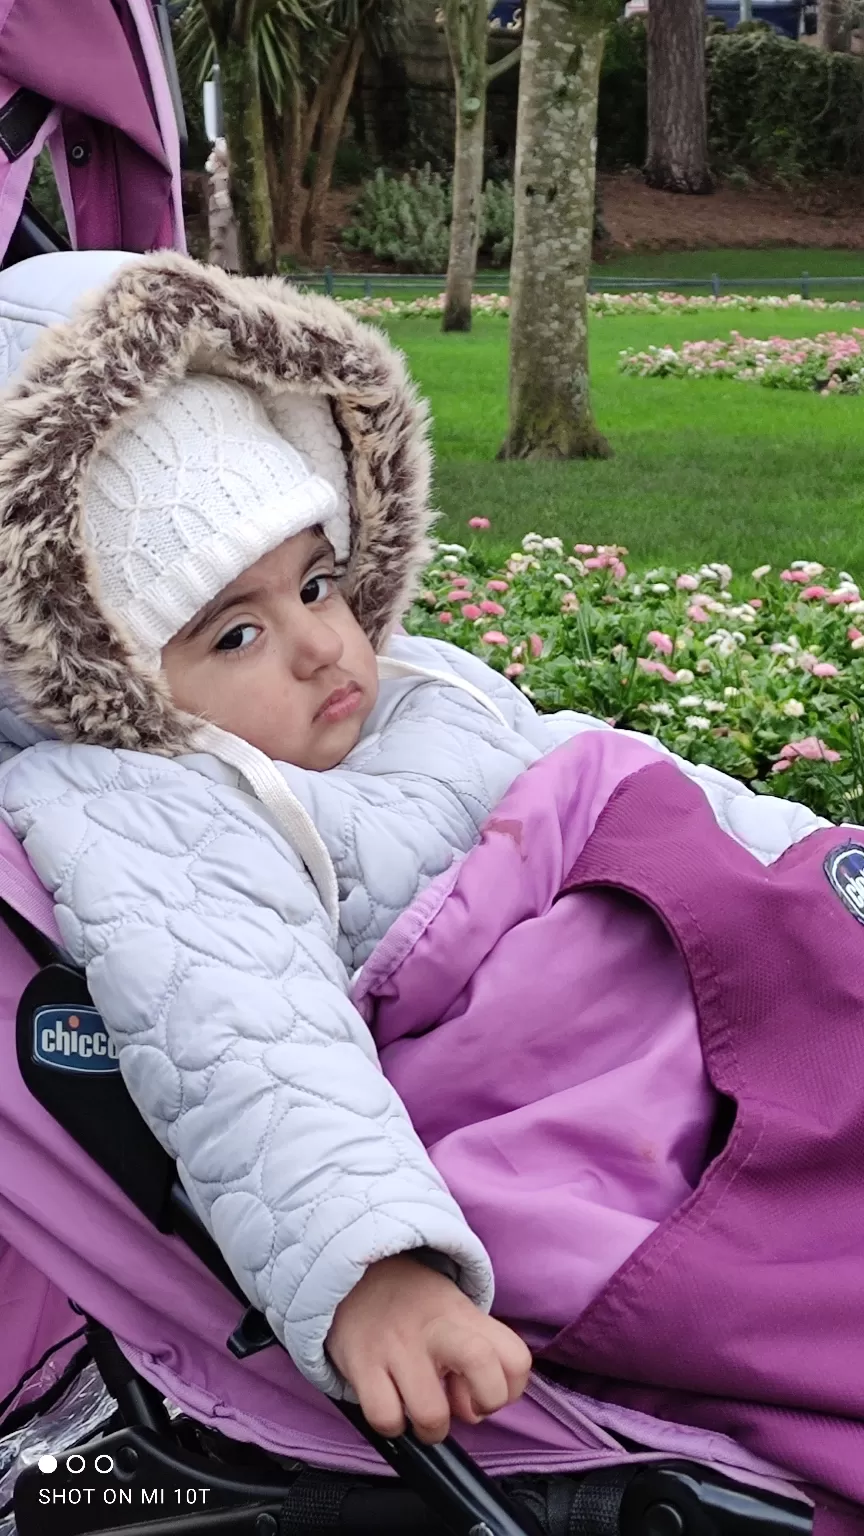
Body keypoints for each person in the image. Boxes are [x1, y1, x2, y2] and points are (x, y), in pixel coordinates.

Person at [0, 252, 828, 1448]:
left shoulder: (428, 693)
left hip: (713, 974)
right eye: (235, 632)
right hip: (595, 1109)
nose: (322, 647)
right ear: (103, 680)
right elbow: (240, 1029)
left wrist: (810, 866)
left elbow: (636, 784)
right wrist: (376, 1269)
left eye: (319, 583)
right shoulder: (152, 798)